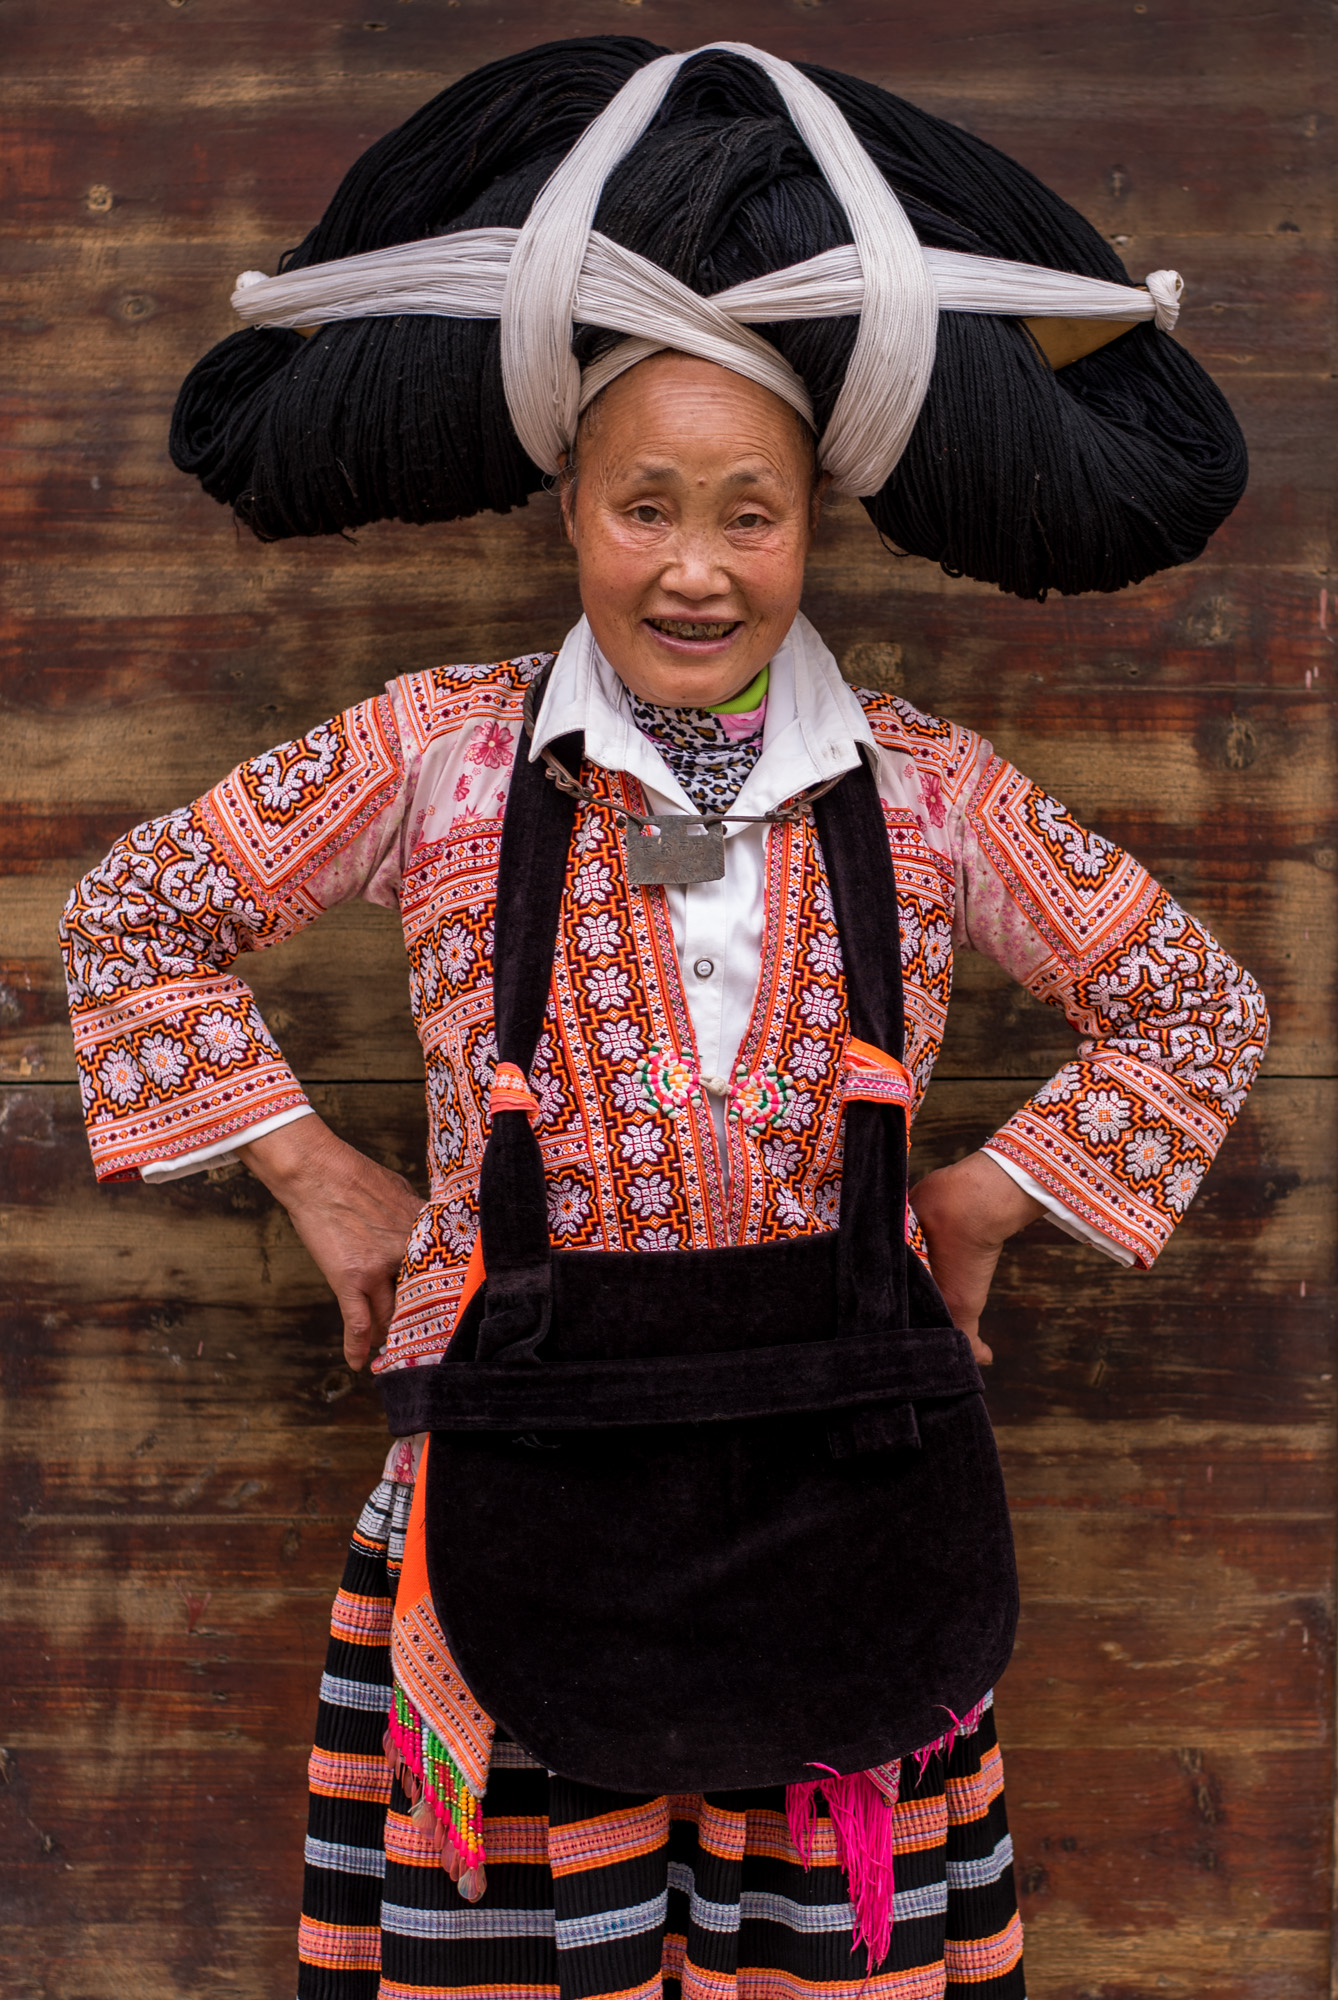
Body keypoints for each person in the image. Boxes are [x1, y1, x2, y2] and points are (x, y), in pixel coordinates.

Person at [60, 39, 1267, 2000]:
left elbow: (1193, 1006)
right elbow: (138, 918)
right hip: (508, 1524)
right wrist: (311, 1169)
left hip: (845, 1517)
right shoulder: (433, 754)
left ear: (814, 521)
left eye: (750, 514)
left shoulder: (931, 790)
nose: (696, 566)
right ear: (567, 508)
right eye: (646, 508)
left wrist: (977, 1203)